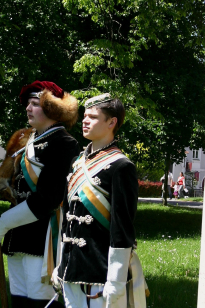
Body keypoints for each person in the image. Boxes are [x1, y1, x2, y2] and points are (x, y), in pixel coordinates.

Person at [0, 80, 80, 308]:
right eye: (27, 103)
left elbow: (48, 199)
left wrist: (3, 222)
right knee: (20, 301)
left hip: (43, 235)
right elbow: (10, 189)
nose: (28, 108)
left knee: (40, 301)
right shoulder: (24, 140)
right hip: (18, 234)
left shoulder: (64, 143)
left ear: (53, 109)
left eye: (35, 103)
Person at [53, 93, 146, 308]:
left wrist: (115, 281)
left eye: (93, 117)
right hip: (71, 268)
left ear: (112, 122)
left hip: (99, 272)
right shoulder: (77, 163)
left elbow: (122, 230)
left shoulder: (121, 166)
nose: (85, 121)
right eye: (85, 116)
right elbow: (67, 221)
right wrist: (61, 265)